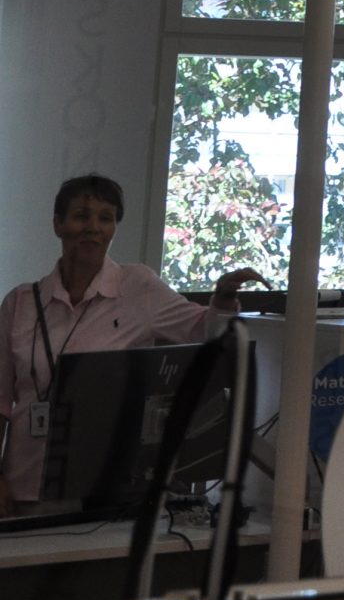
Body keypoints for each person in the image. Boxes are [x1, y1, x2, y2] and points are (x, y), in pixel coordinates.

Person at [0, 174, 265, 512]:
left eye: (105, 218)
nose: (93, 228)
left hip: (106, 482)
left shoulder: (138, 287)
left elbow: (205, 332)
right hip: (25, 481)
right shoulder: (20, 302)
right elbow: (1, 399)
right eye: (81, 216)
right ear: (58, 224)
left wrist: (224, 298)